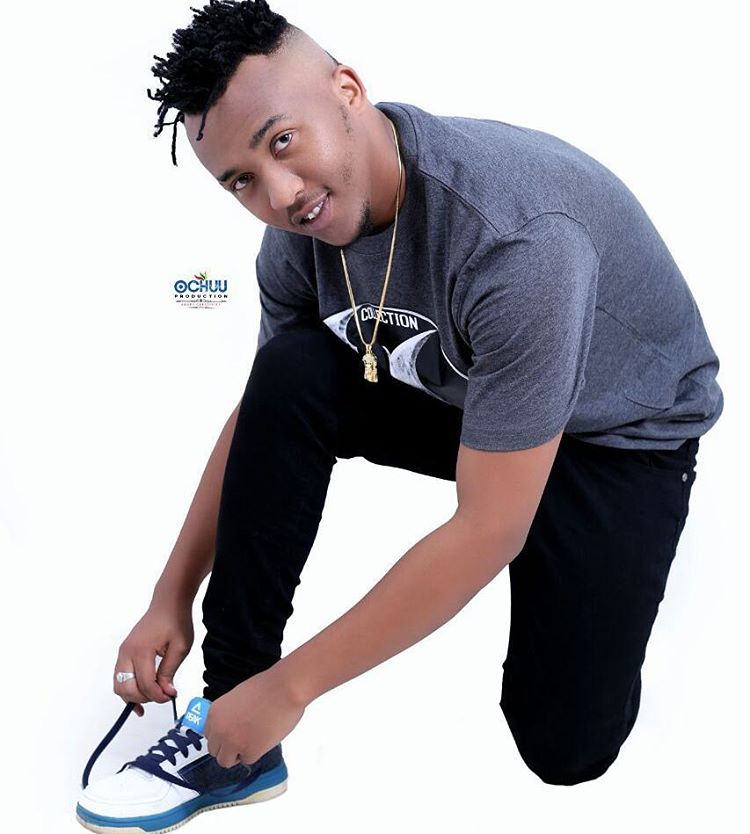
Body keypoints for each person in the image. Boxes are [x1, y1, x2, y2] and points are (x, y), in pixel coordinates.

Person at [76, 1, 724, 831]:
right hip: (473, 389)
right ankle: (231, 732)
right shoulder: (302, 231)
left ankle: (576, 533)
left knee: (566, 748)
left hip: (616, 432)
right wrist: (170, 595)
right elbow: (266, 412)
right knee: (293, 367)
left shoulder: (517, 242)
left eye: (283, 141)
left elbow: (489, 529)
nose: (280, 194)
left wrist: (293, 689)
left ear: (348, 90)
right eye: (241, 179)